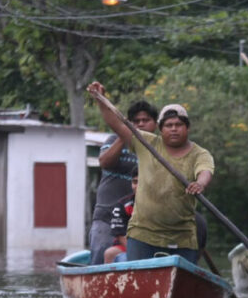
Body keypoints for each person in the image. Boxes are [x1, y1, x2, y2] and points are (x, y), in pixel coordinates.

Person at [87, 81, 214, 264]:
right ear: (161, 129)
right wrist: (100, 100)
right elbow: (116, 123)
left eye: (178, 124)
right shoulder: (146, 143)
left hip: (181, 235)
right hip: (143, 234)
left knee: (182, 268)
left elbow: (205, 170)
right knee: (127, 264)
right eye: (169, 125)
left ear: (187, 128)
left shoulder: (200, 153)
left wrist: (200, 183)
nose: (173, 129)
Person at [88, 100, 158, 264]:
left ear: (155, 124)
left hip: (143, 220)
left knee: (143, 261)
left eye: (145, 120)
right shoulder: (113, 139)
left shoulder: (159, 149)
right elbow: (104, 162)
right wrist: (123, 136)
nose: (140, 124)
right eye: (136, 121)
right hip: (107, 215)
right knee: (101, 254)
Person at [104, 168, 138, 264]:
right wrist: (136, 251)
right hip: (128, 246)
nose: (137, 186)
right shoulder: (122, 205)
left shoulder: (157, 205)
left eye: (141, 182)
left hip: (153, 245)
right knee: (109, 253)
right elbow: (120, 235)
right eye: (135, 182)